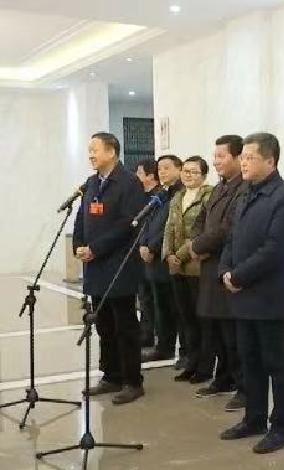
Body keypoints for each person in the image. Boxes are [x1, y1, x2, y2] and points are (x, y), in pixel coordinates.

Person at [218, 133, 284, 455]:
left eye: (250, 158)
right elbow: (231, 239)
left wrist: (238, 276)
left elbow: (275, 249)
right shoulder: (246, 193)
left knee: (276, 364)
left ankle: (282, 427)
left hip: (269, 296)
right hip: (242, 294)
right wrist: (225, 271)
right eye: (242, 157)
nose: (244, 163)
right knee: (250, 360)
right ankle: (253, 418)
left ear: (271, 160)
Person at [74, 132, 146, 405]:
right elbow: (82, 217)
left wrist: (96, 248)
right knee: (103, 323)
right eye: (89, 150)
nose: (91, 155)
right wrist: (79, 245)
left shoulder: (129, 183)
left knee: (124, 325)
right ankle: (111, 375)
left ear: (112, 151)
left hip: (119, 265)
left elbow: (127, 224)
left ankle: (132, 381)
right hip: (95, 266)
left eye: (95, 150)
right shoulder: (92, 182)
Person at [190, 135, 248, 411]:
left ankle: (243, 385)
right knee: (217, 331)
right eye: (214, 156)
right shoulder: (218, 188)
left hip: (226, 266)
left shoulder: (243, 189)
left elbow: (227, 229)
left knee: (233, 335)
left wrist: (199, 247)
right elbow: (201, 221)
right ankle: (223, 378)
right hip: (208, 266)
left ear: (237, 158)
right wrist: (195, 244)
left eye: (221, 156)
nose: (216, 162)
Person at [163, 156, 213, 383]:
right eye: (185, 171)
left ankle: (204, 367)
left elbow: (201, 232)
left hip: (195, 265)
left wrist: (181, 255)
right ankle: (190, 363)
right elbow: (169, 227)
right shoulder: (178, 197)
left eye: (194, 172)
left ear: (204, 175)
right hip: (176, 267)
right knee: (186, 319)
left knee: (201, 319)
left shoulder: (209, 196)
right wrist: (168, 255)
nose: (188, 175)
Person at [140, 155, 184, 365]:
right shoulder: (160, 194)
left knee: (176, 308)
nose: (162, 172)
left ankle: (182, 351)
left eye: (167, 168)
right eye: (160, 169)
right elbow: (149, 222)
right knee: (160, 307)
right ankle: (163, 347)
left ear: (179, 169)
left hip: (167, 257)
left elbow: (169, 226)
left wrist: (153, 247)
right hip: (152, 260)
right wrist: (143, 243)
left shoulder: (180, 194)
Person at [135, 159, 159, 348]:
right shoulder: (140, 196)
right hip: (139, 251)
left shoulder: (158, 197)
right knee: (143, 296)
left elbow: (155, 226)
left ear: (150, 176)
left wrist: (149, 246)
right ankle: (145, 331)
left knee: (152, 298)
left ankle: (151, 333)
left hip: (153, 254)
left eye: (140, 173)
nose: (137, 176)